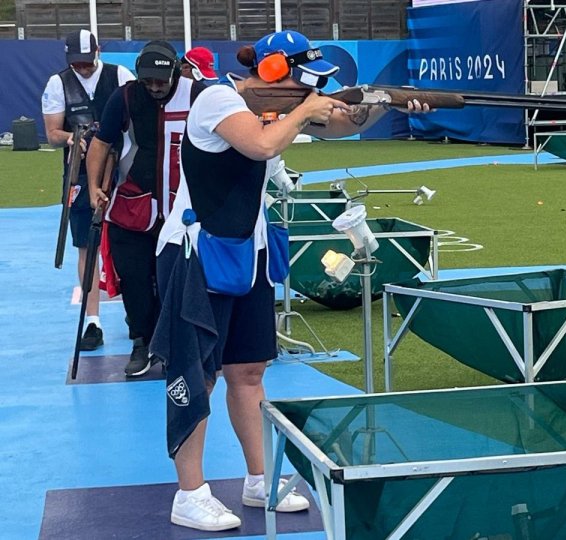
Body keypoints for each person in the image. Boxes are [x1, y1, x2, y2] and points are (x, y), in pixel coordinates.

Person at [151, 29, 429, 532]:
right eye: (303, 85)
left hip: (247, 254)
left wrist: (392, 103)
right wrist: (304, 110)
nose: (309, 95)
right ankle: (189, 493)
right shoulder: (217, 97)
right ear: (274, 73)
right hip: (196, 254)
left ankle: (259, 479)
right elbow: (259, 145)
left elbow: (341, 124)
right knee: (198, 377)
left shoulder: (277, 112)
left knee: (249, 372)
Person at [85, 41, 205, 377]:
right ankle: (142, 340)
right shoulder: (124, 97)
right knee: (135, 279)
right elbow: (101, 142)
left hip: (184, 207)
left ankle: (178, 344)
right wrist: (95, 187)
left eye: (160, 82)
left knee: (177, 281)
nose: (154, 87)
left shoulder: (198, 94)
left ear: (175, 71)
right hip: (133, 204)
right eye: (148, 81)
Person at [41, 29, 135, 351]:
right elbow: (52, 131)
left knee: (131, 239)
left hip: (122, 169)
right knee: (86, 245)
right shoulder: (58, 83)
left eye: (87, 61)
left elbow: (136, 118)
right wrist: (71, 138)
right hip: (78, 173)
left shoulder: (120, 75)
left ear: (98, 50)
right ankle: (92, 321)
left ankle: (138, 312)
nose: (82, 68)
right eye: (76, 63)